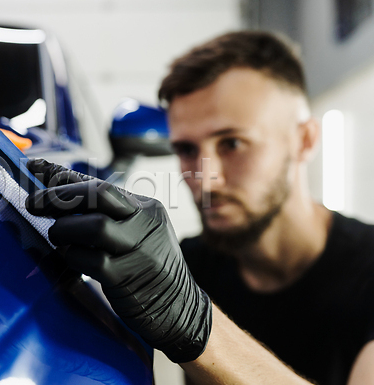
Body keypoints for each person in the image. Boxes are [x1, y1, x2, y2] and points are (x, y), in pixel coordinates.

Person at [25, 31, 374, 385]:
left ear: (305, 140)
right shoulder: (190, 264)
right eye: (187, 150)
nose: (204, 180)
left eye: (232, 143)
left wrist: (195, 323)